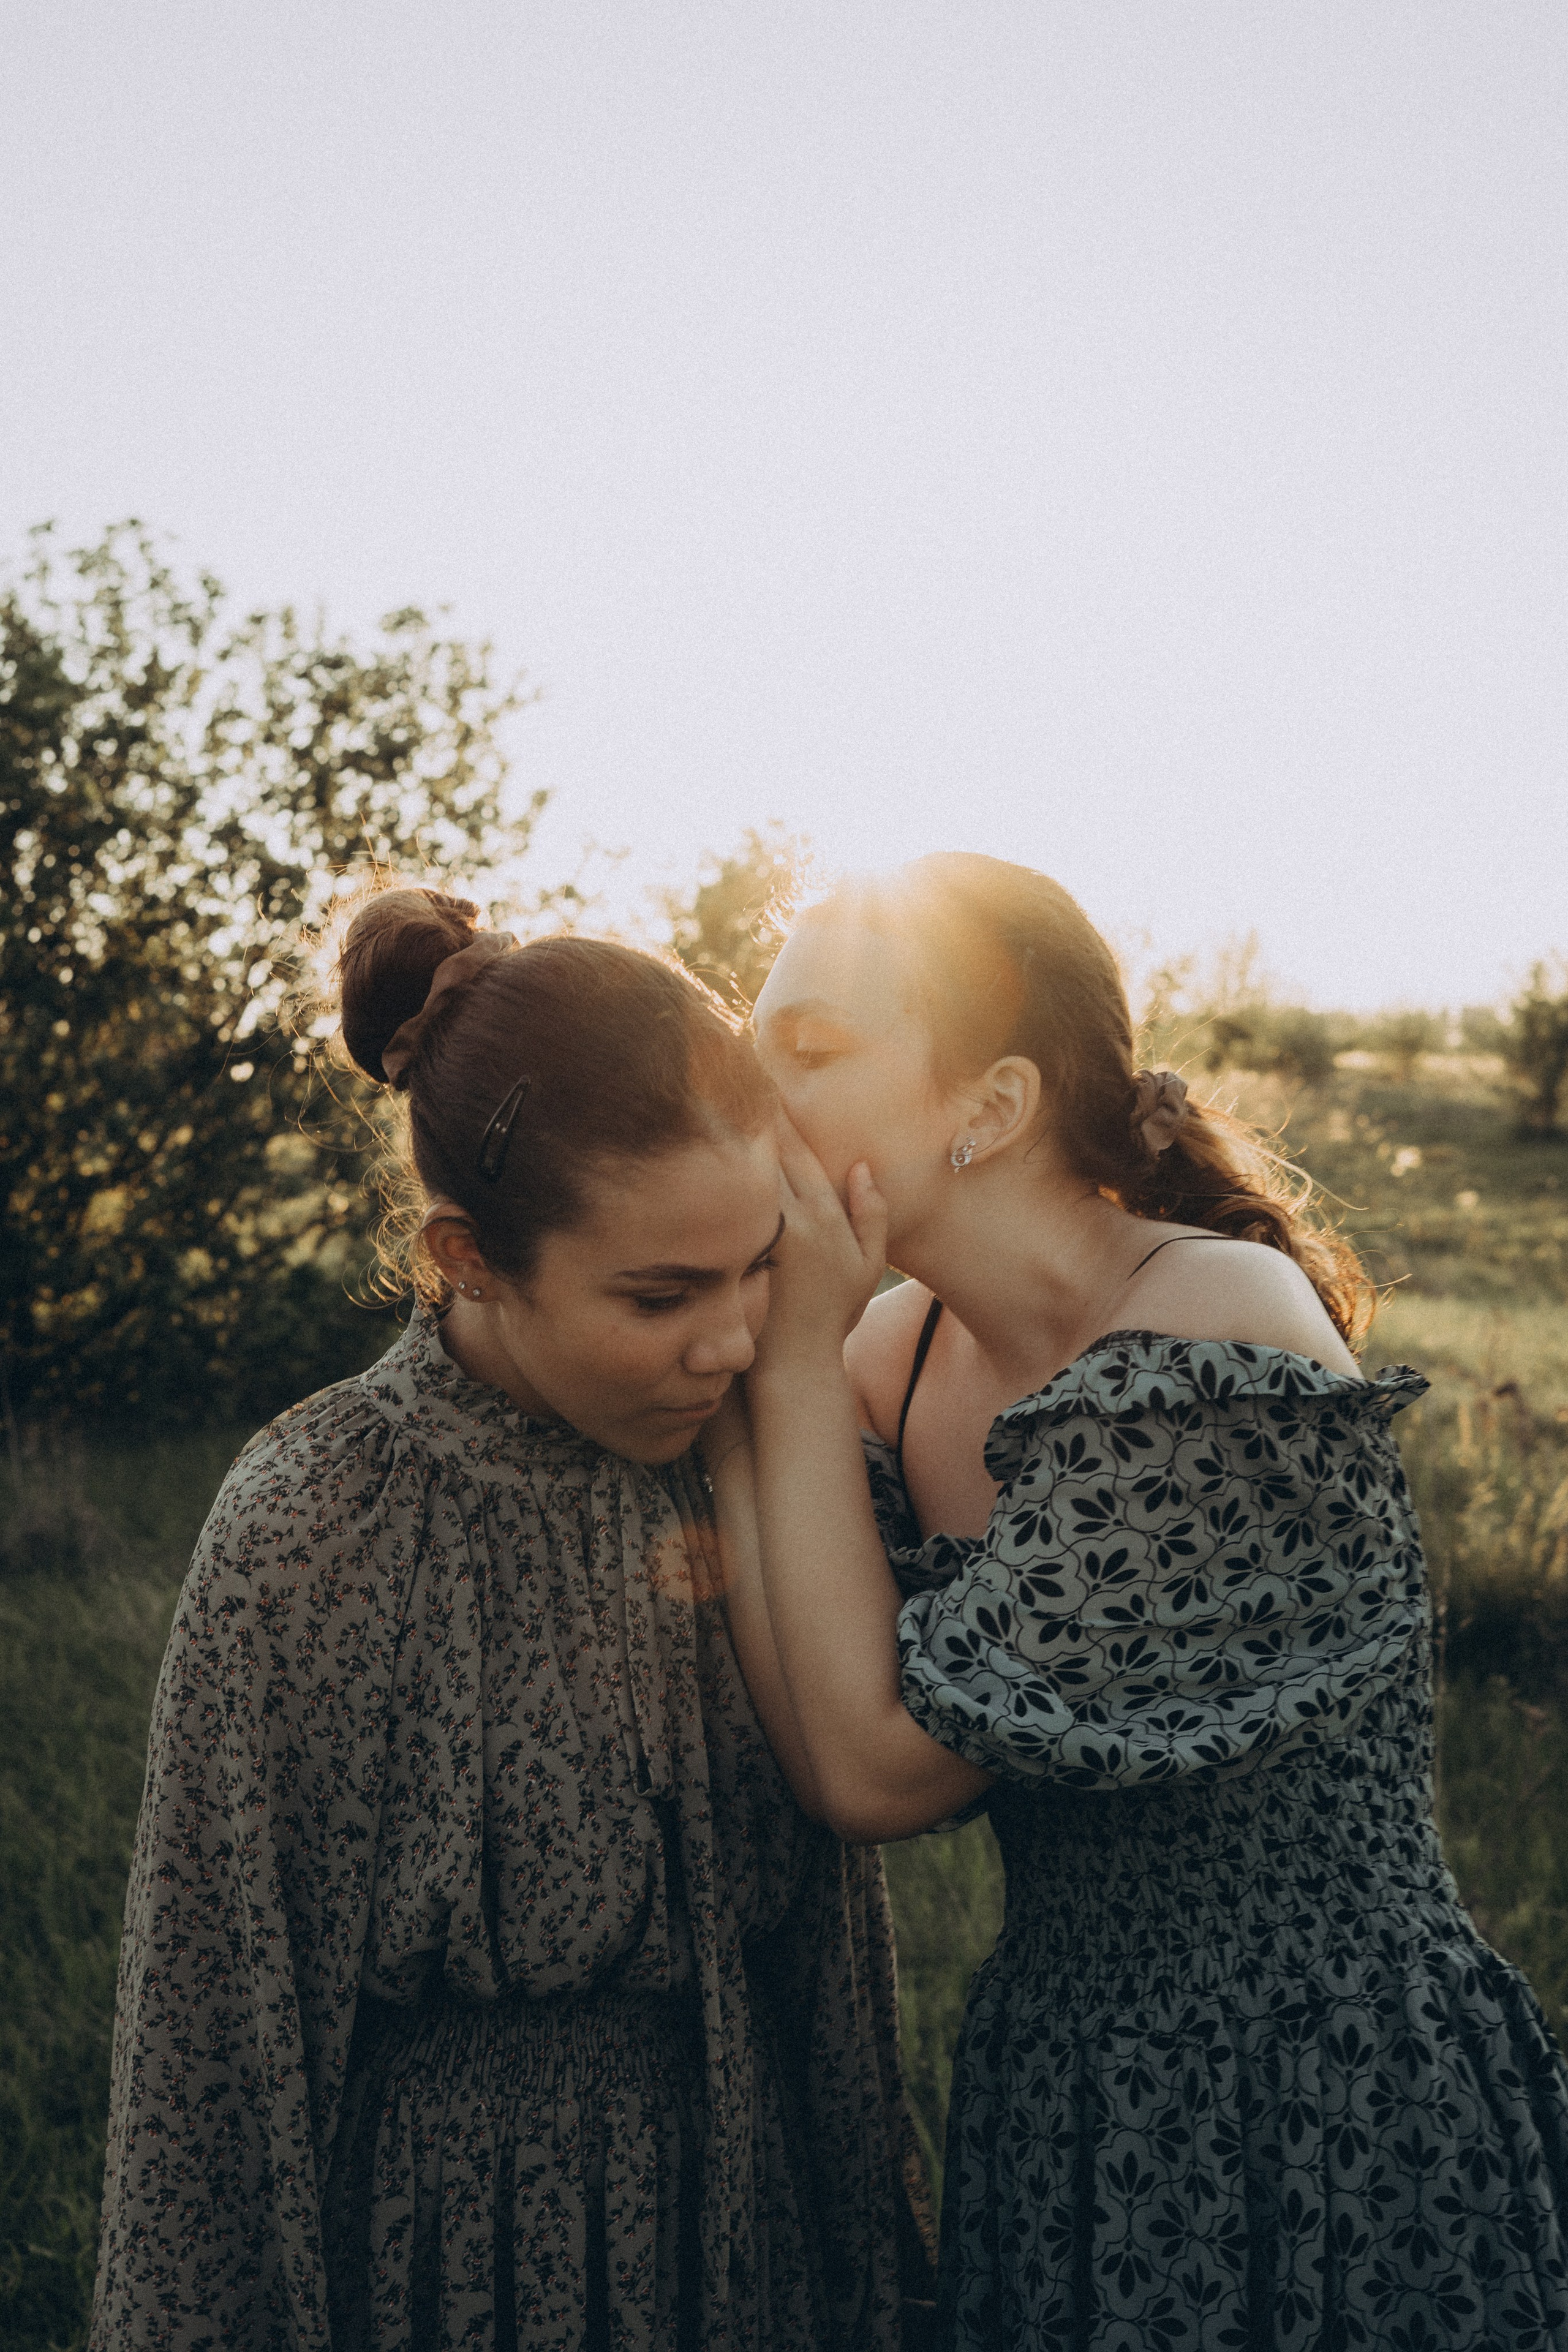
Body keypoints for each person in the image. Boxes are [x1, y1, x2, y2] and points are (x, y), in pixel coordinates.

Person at [710, 852, 1568, 2349]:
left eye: (810, 1050)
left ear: (987, 1108)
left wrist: (777, 1371)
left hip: (1324, 2104)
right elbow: (809, 1708)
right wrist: (764, 1380)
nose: (747, 1093)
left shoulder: (1212, 1325)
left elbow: (866, 1767)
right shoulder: (890, 1355)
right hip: (1066, 2106)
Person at [91, 886, 935, 2352]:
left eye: (757, 1267)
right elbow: (211, 2037)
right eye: (660, 1295)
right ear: (467, 1257)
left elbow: (833, 1948)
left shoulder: (763, 1453)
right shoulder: (314, 1523)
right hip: (448, 2262)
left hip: (742, 2230)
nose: (731, 1340)